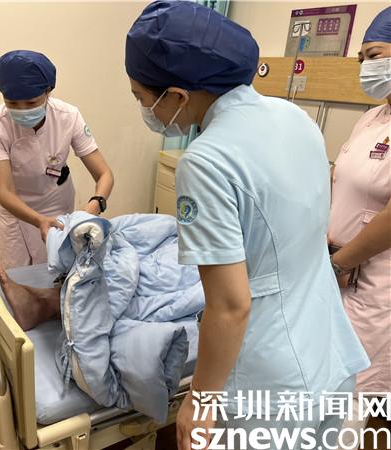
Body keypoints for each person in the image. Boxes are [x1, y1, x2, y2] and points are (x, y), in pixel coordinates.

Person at [124, 2, 370, 450]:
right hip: (329, 351)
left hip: (269, 385)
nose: (146, 109)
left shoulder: (205, 160)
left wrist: (199, 400)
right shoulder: (293, 117)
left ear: (177, 95)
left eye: (143, 98)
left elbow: (230, 305)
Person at [328, 7, 391, 448]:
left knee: (359, 399)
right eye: (362, 58)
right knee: (333, 386)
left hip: (377, 285)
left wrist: (341, 261)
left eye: (375, 55)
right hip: (340, 271)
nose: (366, 68)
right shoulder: (372, 117)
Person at [0, 50, 114, 269]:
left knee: (56, 268)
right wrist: (38, 220)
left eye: (31, 102)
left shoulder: (68, 116)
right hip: (13, 208)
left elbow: (104, 174)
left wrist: (94, 205)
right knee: (15, 272)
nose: (22, 110)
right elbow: (4, 191)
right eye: (12, 103)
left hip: (55, 203)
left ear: (48, 92)